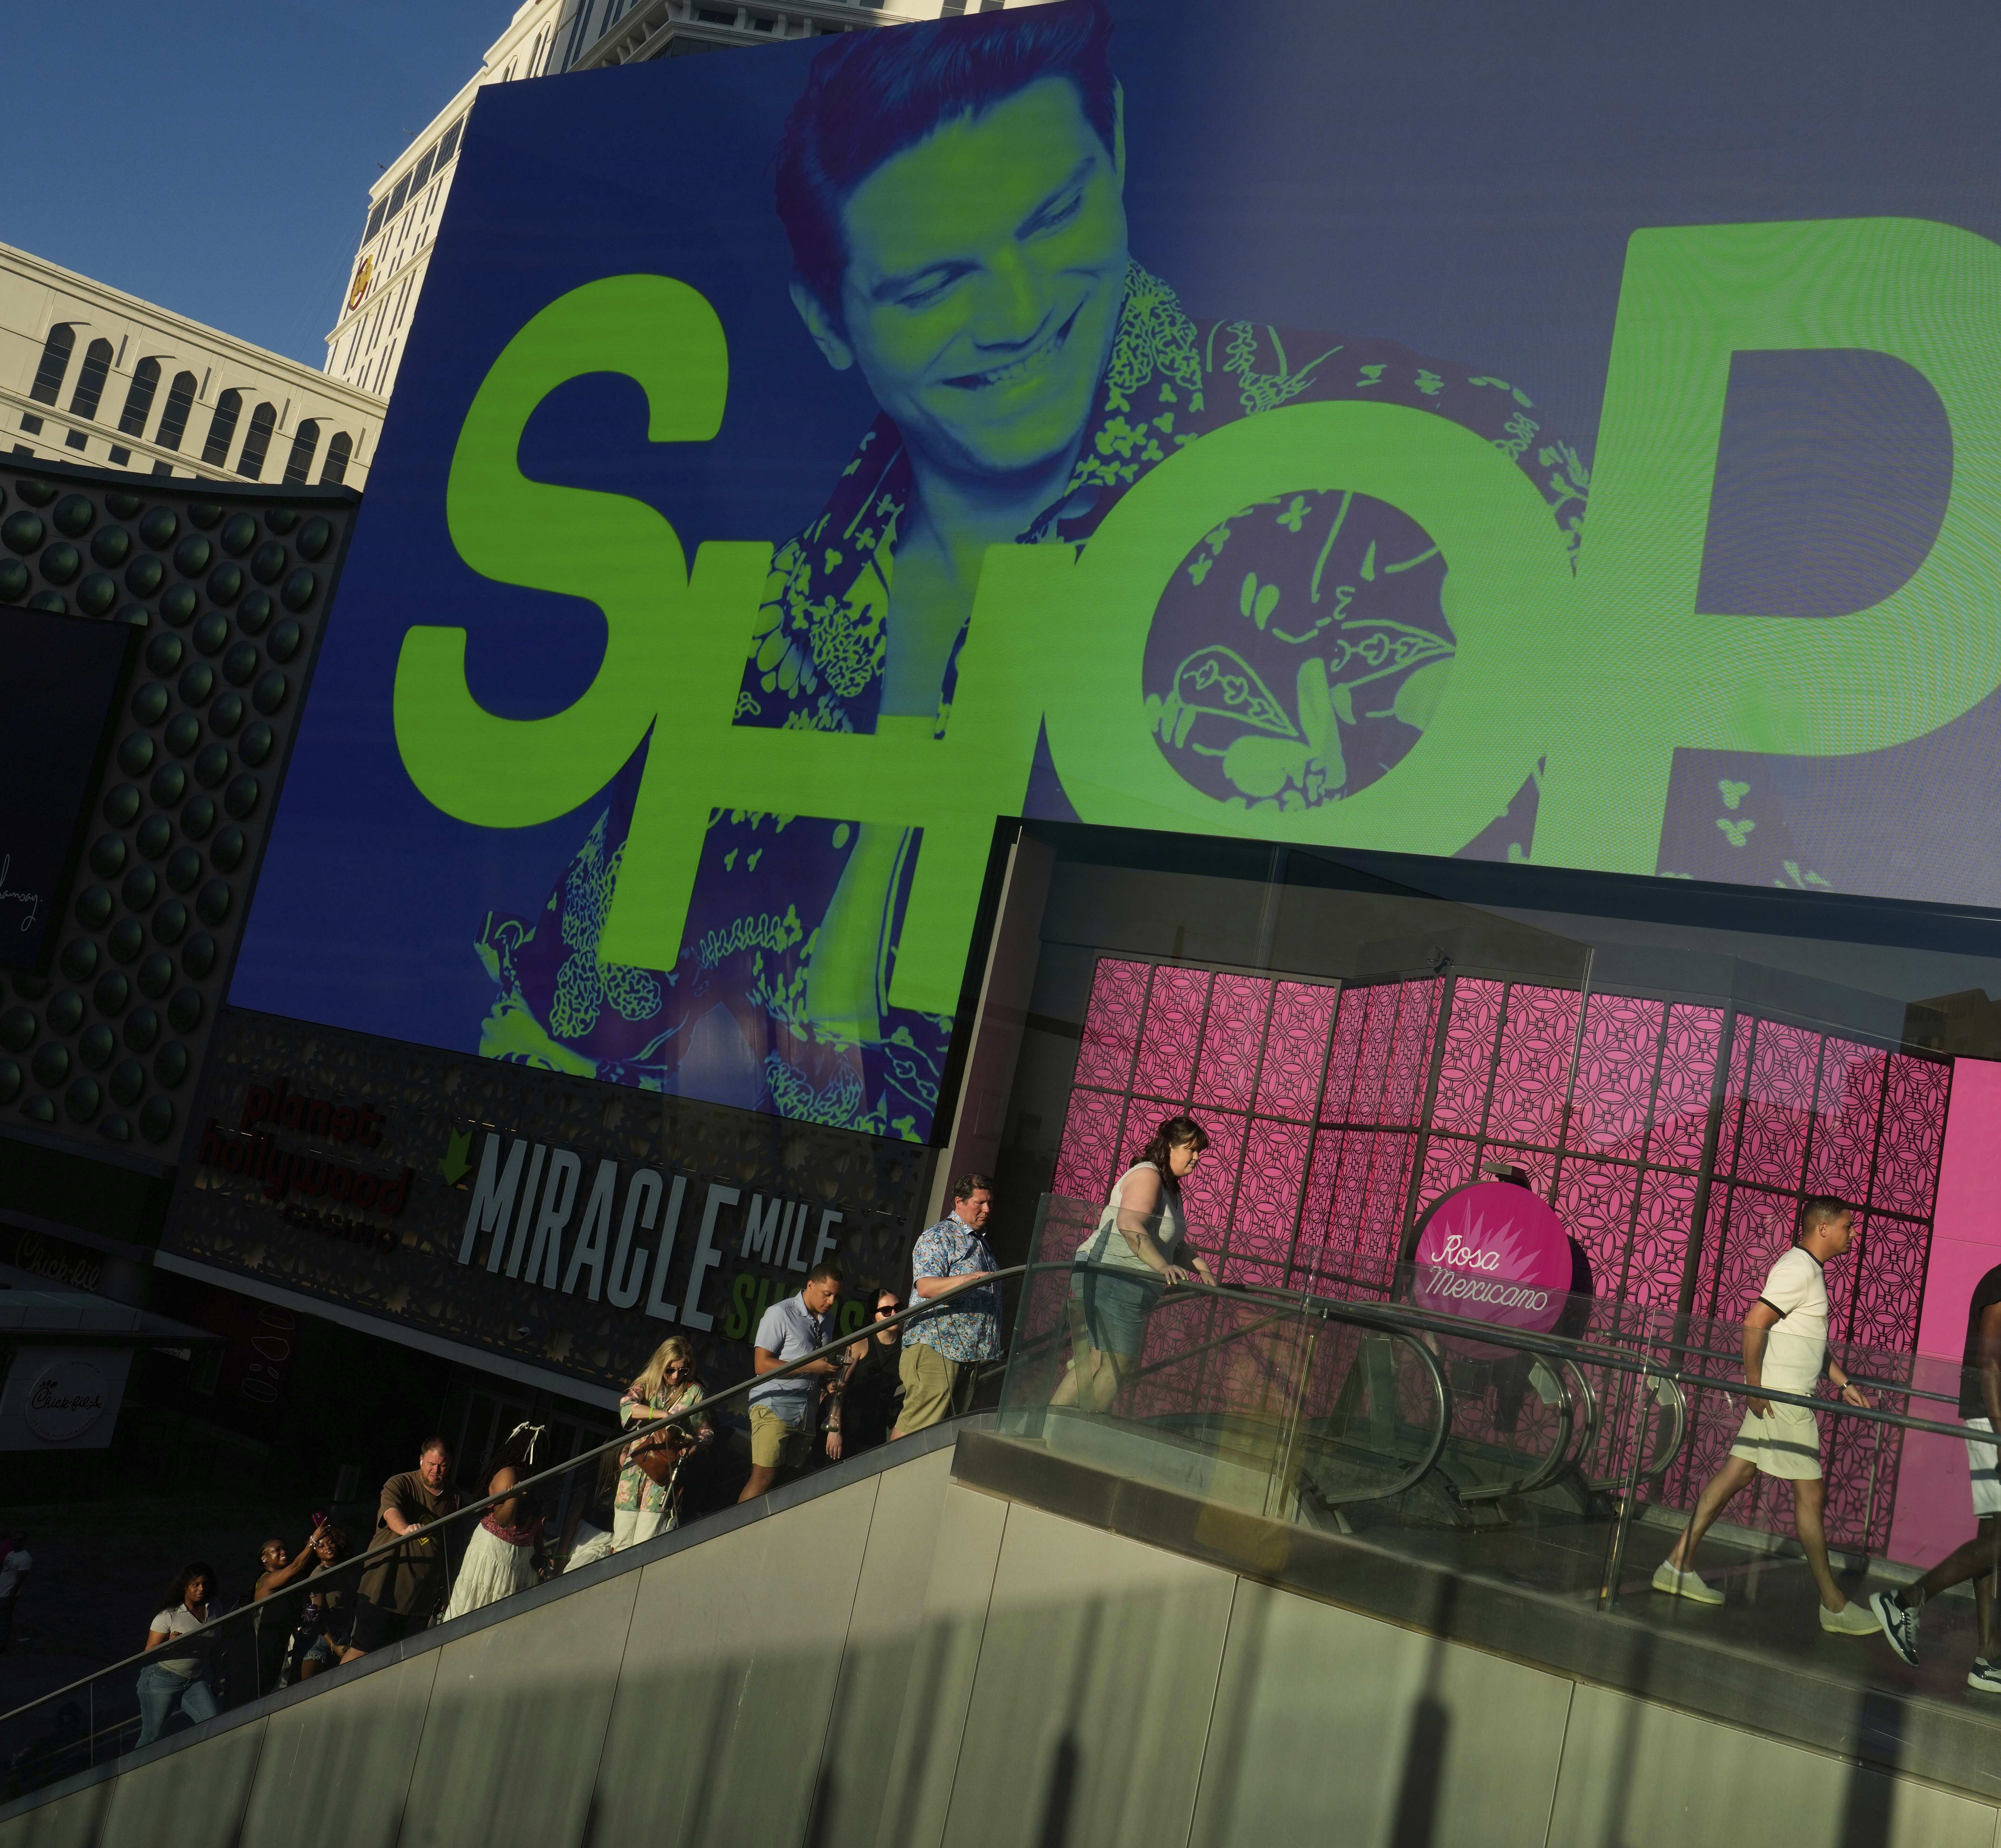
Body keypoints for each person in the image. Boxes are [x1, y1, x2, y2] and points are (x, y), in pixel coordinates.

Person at [467, 1, 1586, 1138]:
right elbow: (550, 1021)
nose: (1018, 315)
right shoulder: (768, 621)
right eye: (931, 287)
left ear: (1118, 152)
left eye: (1055, 220)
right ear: (827, 318)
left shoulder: (1416, 475)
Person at [1650, 1197, 1881, 1635]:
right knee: (1811, 1498)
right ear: (1824, 1229)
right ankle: (1833, 1606)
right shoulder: (1799, 1269)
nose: (1855, 1234)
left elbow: (1807, 1339)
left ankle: (1677, 1565)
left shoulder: (1808, 1270)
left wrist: (1843, 1382)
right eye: (1849, 1227)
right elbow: (1756, 1322)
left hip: (1781, 1398)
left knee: (1734, 1477)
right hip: (1784, 1402)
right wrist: (1754, 1386)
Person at [1874, 1203, 2001, 1698]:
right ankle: (1906, 1600)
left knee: (1995, 1537)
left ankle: (1988, 1658)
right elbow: (1987, 1360)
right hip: (2000, 1421)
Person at [1054, 1119, 1217, 1414]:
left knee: (1095, 1359)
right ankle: (1077, 1427)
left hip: (1119, 1279)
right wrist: (1162, 1267)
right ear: (1169, 1147)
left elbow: (1173, 1244)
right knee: (1119, 1362)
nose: (1197, 1158)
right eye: (1191, 1150)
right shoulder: (1148, 1176)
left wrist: (1202, 1269)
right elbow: (1129, 1224)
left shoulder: (1172, 1189)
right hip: (1110, 1275)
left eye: (1199, 1152)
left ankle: (1050, 1424)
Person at [895, 1176, 1002, 1437]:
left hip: (968, 1353)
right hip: (937, 1346)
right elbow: (926, 1287)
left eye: (990, 1203)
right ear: (960, 1202)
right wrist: (966, 1279)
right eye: (980, 1203)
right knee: (917, 1424)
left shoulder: (980, 1242)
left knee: (944, 1433)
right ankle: (890, 1475)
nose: (987, 1210)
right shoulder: (939, 1236)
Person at [340, 1437, 460, 1663]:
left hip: (422, 1597)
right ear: (422, 1459)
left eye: (442, 1465)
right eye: (431, 1464)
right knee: (362, 1652)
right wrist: (406, 1529)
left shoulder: (454, 1496)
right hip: (384, 1587)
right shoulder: (401, 1483)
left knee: (400, 1659)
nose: (436, 1471)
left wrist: (446, 1589)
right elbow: (390, 1511)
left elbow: (451, 1546)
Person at [741, 1267, 846, 1501]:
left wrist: (825, 1385)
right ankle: (731, 1536)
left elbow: (811, 1366)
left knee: (785, 1486)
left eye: (835, 1297)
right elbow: (761, 1366)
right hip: (774, 1406)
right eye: (826, 1294)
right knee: (763, 1478)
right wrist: (810, 1367)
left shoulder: (828, 1320)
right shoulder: (780, 1313)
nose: (831, 1302)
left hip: (806, 1412)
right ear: (810, 1286)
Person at [442, 1424, 550, 1622]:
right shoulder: (509, 1474)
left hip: (520, 1559)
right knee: (479, 1607)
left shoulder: (534, 1479)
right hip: (496, 1552)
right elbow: (503, 1521)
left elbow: (537, 1525)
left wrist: (541, 1553)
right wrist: (514, 1496)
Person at [618, 1337, 715, 1542]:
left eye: (683, 1371)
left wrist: (691, 1449)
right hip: (635, 1466)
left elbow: (706, 1431)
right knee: (621, 1538)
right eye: (670, 1370)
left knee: (645, 1539)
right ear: (661, 1365)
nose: (676, 1376)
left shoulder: (694, 1392)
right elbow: (627, 1406)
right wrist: (663, 1415)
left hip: (664, 1470)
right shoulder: (647, 1385)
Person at [136, 1563, 220, 1745]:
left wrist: (215, 1675)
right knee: (153, 1736)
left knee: (214, 1723)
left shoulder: (213, 1608)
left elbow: (213, 1646)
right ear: (185, 1587)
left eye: (205, 1584)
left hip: (194, 1679)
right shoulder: (169, 1616)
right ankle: (131, 1773)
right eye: (196, 1585)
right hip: (161, 1679)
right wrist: (170, 1644)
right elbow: (147, 1654)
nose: (201, 1589)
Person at [830, 1290, 906, 1459]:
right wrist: (834, 1430)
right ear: (874, 1318)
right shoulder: (861, 1343)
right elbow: (839, 1388)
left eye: (898, 1308)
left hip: (877, 1431)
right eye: (886, 1311)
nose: (894, 1314)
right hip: (848, 1427)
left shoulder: (907, 1345)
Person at [252, 1529, 319, 1694]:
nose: (283, 1552)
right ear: (264, 1558)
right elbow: (297, 1566)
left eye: (285, 1549)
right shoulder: (267, 1580)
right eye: (277, 1550)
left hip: (283, 1642)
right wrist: (314, 1540)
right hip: (266, 1646)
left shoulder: (286, 1581)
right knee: (269, 1686)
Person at [290, 1523, 351, 1682]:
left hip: (339, 1636)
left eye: (331, 1543)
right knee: (306, 1692)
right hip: (318, 1642)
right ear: (316, 1552)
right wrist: (333, 1646)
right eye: (321, 1546)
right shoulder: (319, 1575)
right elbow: (317, 1616)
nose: (327, 1548)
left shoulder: (344, 1569)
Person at [0, 1532, 29, 1655]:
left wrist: (11, 1596)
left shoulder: (25, 1558)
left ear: (24, 1541)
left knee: (4, 1621)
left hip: (8, 1595)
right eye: (14, 1539)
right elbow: (5, 1572)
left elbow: (21, 1580)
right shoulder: (10, 1554)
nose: (16, 1541)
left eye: (19, 1540)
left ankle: (0, 1647)